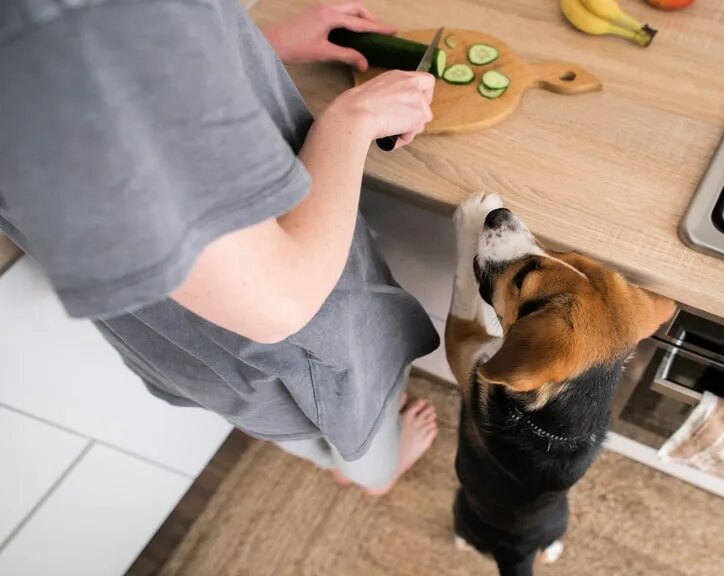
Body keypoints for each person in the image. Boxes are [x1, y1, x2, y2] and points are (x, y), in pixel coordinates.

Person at [0, 0, 441, 495]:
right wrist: (353, 119)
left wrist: (242, 45)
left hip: (178, 340)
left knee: (276, 415)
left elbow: (107, 131)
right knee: (360, 419)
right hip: (291, 339)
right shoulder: (58, 28)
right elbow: (279, 304)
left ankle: (340, 458)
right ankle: (375, 476)